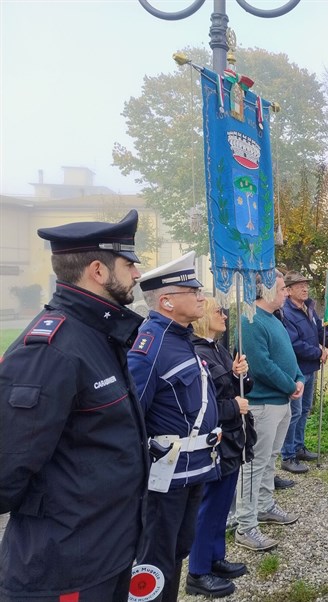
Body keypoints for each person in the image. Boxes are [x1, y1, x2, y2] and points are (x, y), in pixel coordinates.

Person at [0, 212, 148, 602]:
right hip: (64, 567)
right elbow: (6, 469)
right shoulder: (54, 349)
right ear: (98, 270)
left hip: (108, 552)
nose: (136, 273)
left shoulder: (99, 335)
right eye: (129, 263)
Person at [128, 251, 222, 601]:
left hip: (193, 470)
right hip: (166, 476)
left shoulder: (181, 338)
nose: (201, 297)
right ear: (166, 301)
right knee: (155, 563)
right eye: (192, 291)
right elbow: (132, 417)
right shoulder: (150, 346)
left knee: (179, 548)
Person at [187, 297, 256, 597]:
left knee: (221, 504)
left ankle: (216, 558)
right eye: (219, 311)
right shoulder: (197, 351)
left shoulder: (218, 348)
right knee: (210, 506)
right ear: (203, 316)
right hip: (217, 440)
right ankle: (198, 571)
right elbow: (204, 404)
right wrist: (233, 406)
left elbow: (238, 386)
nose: (224, 315)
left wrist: (240, 374)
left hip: (232, 439)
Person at [234, 273, 303, 552]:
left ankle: (264, 507)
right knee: (253, 466)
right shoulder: (250, 320)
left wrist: (297, 377)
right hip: (263, 404)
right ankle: (246, 525)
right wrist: (290, 384)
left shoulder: (274, 319)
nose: (286, 293)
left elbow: (288, 356)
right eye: (283, 288)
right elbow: (260, 364)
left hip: (281, 401)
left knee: (269, 459)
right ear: (265, 290)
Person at [281, 271, 326, 472]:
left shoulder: (308, 308)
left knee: (305, 410)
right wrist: (318, 352)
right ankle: (287, 455)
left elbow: (318, 331)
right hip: (296, 369)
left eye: (306, 285)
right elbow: (294, 344)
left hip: (311, 368)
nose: (305, 288)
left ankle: (299, 447)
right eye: (299, 285)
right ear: (288, 291)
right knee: (294, 412)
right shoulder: (286, 312)